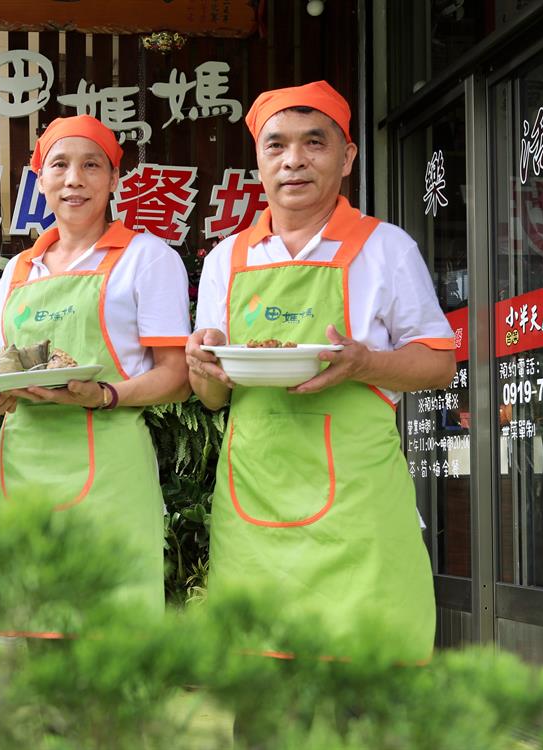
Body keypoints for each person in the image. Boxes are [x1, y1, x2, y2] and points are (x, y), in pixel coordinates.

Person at [185, 81, 457, 664]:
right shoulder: (225, 260)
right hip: (254, 506)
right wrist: (199, 363)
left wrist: (367, 363)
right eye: (276, 145)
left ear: (347, 156)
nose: (294, 160)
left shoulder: (386, 248)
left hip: (357, 516)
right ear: (258, 160)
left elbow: (439, 363)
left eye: (315, 142)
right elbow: (210, 397)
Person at [0, 115, 192, 628]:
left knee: (111, 630)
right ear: (41, 178)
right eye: (60, 165)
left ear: (114, 178)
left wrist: (104, 395)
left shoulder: (147, 258)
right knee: (34, 624)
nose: (75, 179)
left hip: (110, 474)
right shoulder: (19, 269)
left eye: (91, 165)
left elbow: (177, 375)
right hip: (26, 465)